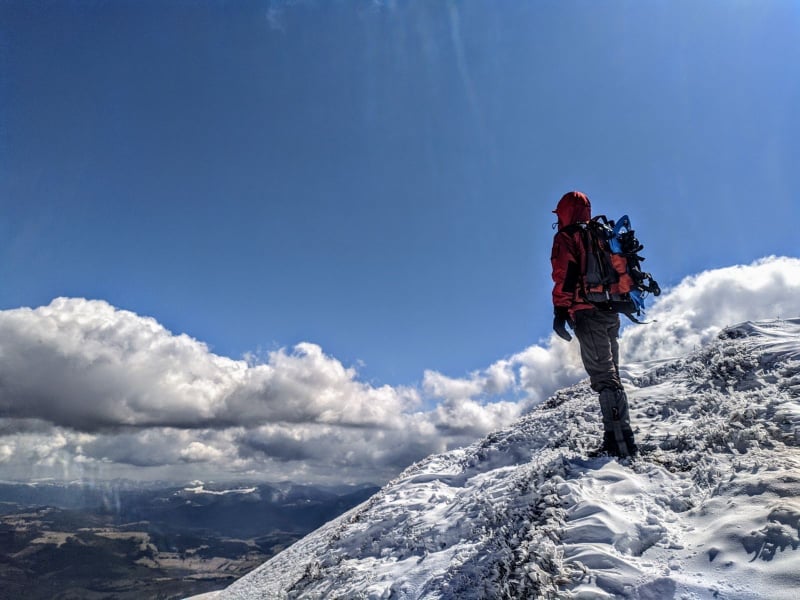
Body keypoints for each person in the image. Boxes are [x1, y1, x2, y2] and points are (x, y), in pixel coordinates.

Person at [550, 191, 637, 458]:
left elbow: (565, 274)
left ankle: (619, 446)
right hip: (611, 311)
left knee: (604, 378)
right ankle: (620, 438)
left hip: (587, 313)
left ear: (564, 212)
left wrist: (560, 310)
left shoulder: (567, 237)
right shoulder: (600, 234)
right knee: (612, 375)